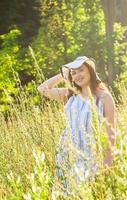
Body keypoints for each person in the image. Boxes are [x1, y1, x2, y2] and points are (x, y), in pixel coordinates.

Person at [37, 56, 115, 197]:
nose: (77, 75)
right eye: (73, 73)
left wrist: (107, 163)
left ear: (90, 71)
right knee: (66, 194)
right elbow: (42, 88)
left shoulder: (104, 97)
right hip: (67, 153)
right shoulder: (69, 95)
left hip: (91, 156)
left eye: (81, 70)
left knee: (86, 193)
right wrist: (63, 74)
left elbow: (111, 133)